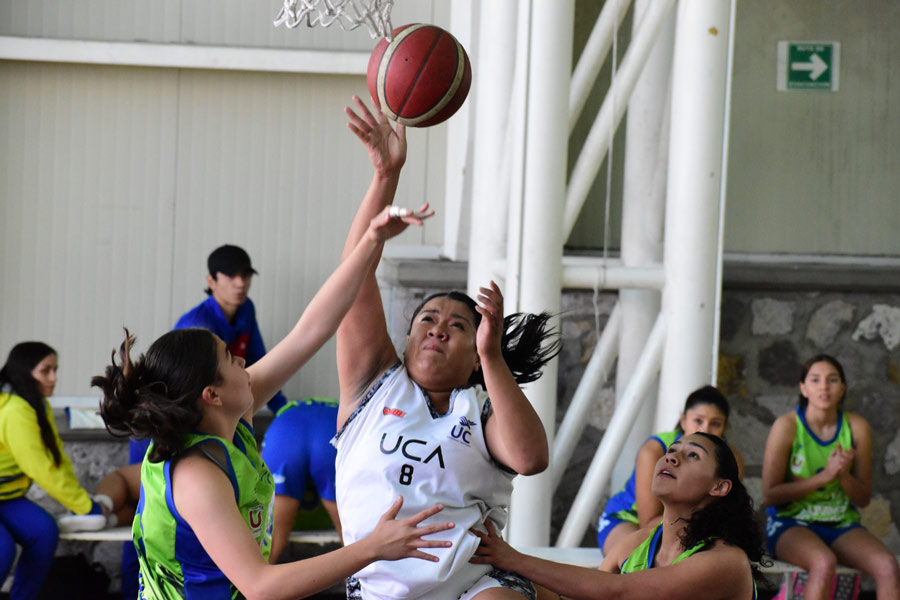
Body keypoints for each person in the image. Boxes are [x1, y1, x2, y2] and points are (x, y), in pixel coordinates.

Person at [92, 200, 456, 599]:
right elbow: (262, 586)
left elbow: (312, 329)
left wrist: (372, 237)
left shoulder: (231, 419)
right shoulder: (196, 476)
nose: (244, 360)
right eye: (231, 359)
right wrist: (372, 547)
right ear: (211, 395)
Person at [334, 96, 561, 600]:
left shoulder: (480, 406)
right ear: (409, 336)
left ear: (476, 349)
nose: (438, 328)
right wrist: (385, 177)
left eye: (458, 325)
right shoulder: (375, 384)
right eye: (428, 319)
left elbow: (530, 458)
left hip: (474, 584)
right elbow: (353, 274)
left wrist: (493, 357)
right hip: (380, 589)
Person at [471, 432, 766, 600]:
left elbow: (616, 592)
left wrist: (513, 559)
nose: (671, 456)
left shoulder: (726, 561)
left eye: (693, 455)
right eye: (672, 449)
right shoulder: (635, 544)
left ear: (719, 486)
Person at [761, 354, 900, 600]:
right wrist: (824, 477)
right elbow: (770, 495)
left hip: (840, 525)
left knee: (888, 566)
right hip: (791, 524)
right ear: (803, 388)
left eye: (832, 379)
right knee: (823, 563)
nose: (824, 386)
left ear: (843, 387)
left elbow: (864, 498)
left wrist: (843, 475)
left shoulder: (856, 427)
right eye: (815, 380)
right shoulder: (787, 426)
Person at [0, 342, 110, 600]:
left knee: (44, 532)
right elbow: (42, 469)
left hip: (7, 498)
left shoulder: (37, 404)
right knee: (3, 549)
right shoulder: (15, 410)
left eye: (55, 370)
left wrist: (84, 502)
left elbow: (56, 460)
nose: (54, 378)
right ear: (24, 373)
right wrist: (86, 507)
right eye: (45, 371)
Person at [596, 384, 745, 555]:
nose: (705, 429)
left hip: (691, 526)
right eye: (698, 420)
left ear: (725, 426)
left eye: (716, 424)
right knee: (639, 556)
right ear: (683, 420)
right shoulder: (654, 451)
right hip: (630, 519)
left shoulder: (731, 460)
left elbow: (728, 514)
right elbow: (648, 522)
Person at [261, 397, 342, 563]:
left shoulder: (285, 410)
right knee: (354, 541)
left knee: (271, 544)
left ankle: (248, 589)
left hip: (285, 431)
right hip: (332, 429)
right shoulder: (341, 409)